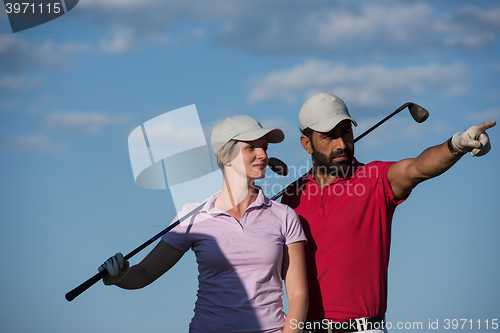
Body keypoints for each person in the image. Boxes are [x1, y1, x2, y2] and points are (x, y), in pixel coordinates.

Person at [280, 93, 496, 333]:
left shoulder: (375, 178)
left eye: (345, 133)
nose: (341, 144)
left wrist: (455, 145)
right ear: (306, 143)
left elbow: (416, 168)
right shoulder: (291, 197)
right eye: (329, 136)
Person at [99, 115, 309, 333]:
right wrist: (119, 277)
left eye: (264, 147)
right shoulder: (193, 216)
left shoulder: (284, 215)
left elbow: (298, 296)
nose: (263, 155)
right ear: (224, 156)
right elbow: (143, 273)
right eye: (250, 148)